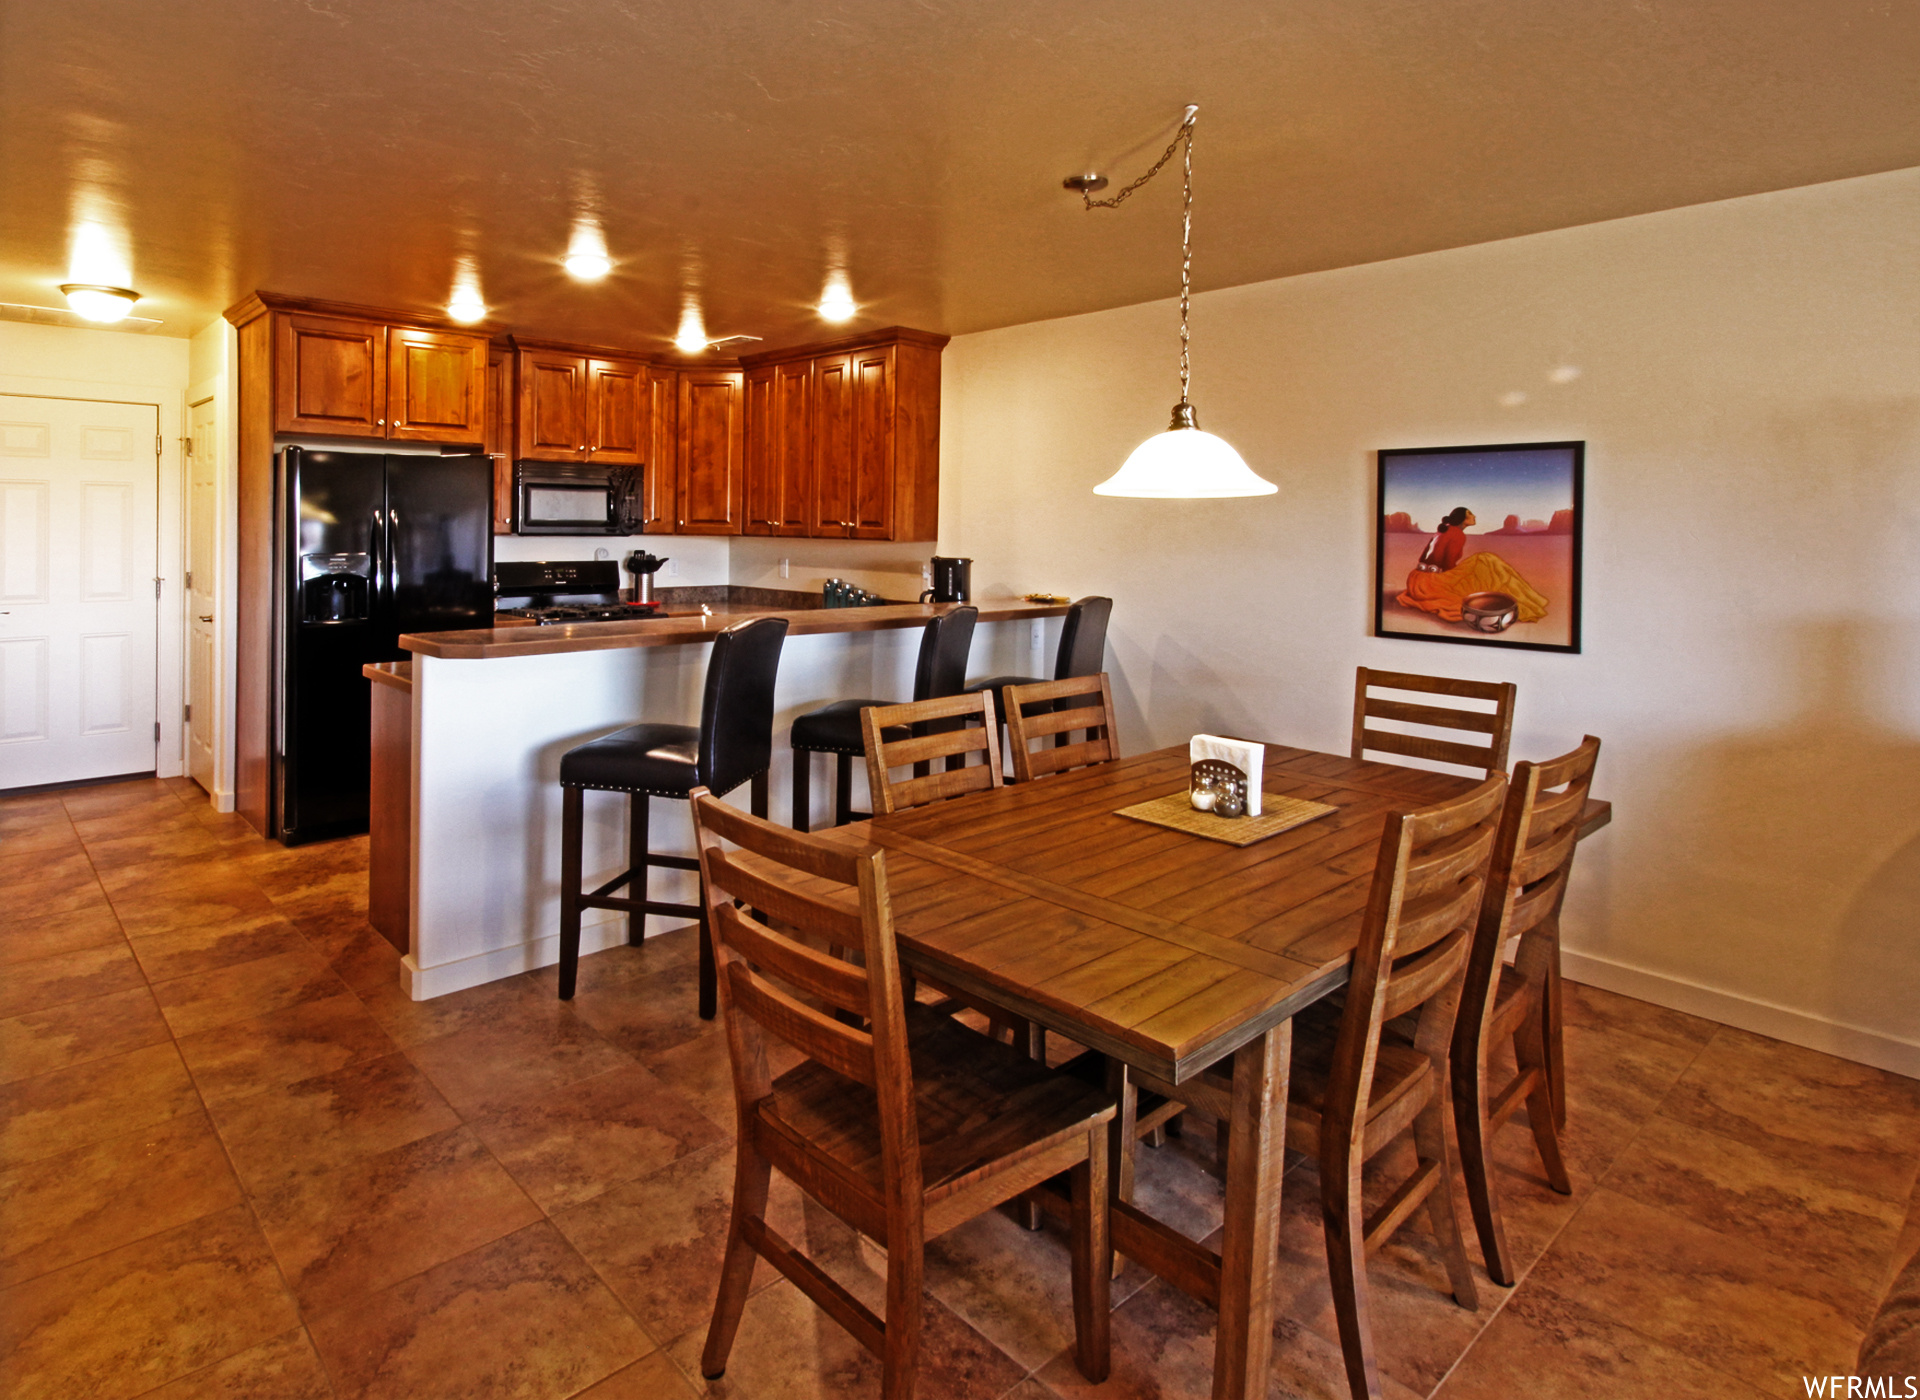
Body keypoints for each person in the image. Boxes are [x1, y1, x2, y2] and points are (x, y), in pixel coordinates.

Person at [1397, 507, 1549, 624]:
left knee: (1483, 561)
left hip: (1417, 580)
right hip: (1430, 583)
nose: (1474, 516)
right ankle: (1519, 597)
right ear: (1463, 519)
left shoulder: (1445, 530)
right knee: (1486, 559)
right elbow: (1448, 563)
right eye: (1470, 514)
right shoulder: (1457, 534)